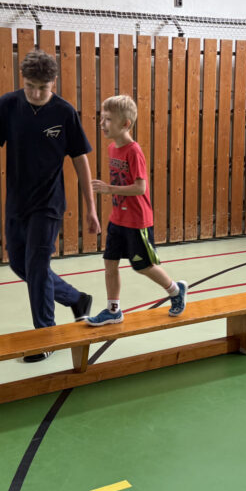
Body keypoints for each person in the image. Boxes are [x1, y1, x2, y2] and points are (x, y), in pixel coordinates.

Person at [0, 50, 100, 361]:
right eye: (30, 86)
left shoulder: (64, 112)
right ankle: (76, 298)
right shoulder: (7, 105)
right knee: (20, 264)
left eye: (43, 87)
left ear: (53, 82)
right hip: (17, 201)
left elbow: (80, 161)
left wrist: (91, 208)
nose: (36, 93)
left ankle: (45, 336)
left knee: (38, 267)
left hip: (48, 204)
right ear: (23, 80)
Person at [85, 95, 186, 326]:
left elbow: (140, 187)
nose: (102, 123)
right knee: (110, 263)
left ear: (125, 124)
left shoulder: (134, 151)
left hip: (137, 221)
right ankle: (113, 310)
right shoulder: (112, 148)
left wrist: (109, 189)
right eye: (102, 118)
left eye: (108, 119)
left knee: (143, 267)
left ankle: (175, 290)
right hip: (117, 219)